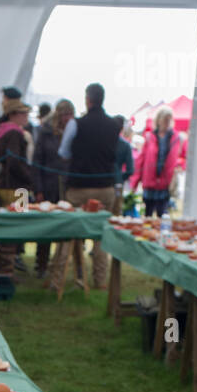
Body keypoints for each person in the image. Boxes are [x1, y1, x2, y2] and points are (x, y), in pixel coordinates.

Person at [54, 82, 120, 288]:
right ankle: (100, 281)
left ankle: (57, 279)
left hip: (79, 187)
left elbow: (63, 152)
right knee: (101, 235)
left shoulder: (76, 124)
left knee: (66, 234)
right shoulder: (114, 125)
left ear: (87, 100)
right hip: (106, 187)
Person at [31, 98, 74, 277]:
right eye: (65, 115)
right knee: (46, 227)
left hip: (66, 185)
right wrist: (38, 189)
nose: (67, 119)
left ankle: (60, 264)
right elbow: (37, 162)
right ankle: (41, 263)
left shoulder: (73, 132)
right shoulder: (45, 132)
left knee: (64, 225)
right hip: (48, 185)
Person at [0, 98, 34, 277]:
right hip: (17, 188)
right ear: (14, 115)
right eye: (24, 113)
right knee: (14, 229)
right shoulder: (15, 134)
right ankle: (7, 271)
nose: (26, 117)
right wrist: (29, 177)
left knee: (6, 229)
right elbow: (15, 162)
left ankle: (3, 267)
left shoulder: (3, 132)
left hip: (5, 185)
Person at [130, 105, 180, 218]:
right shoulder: (149, 137)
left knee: (162, 215)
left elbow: (175, 159)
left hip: (165, 183)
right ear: (159, 120)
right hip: (150, 182)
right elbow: (141, 161)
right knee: (147, 214)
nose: (167, 122)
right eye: (165, 119)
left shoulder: (174, 138)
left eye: (169, 119)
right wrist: (135, 182)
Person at [112, 115, 134, 214]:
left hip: (102, 183)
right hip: (117, 183)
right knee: (115, 214)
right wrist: (120, 178)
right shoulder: (125, 145)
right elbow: (130, 170)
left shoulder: (104, 142)